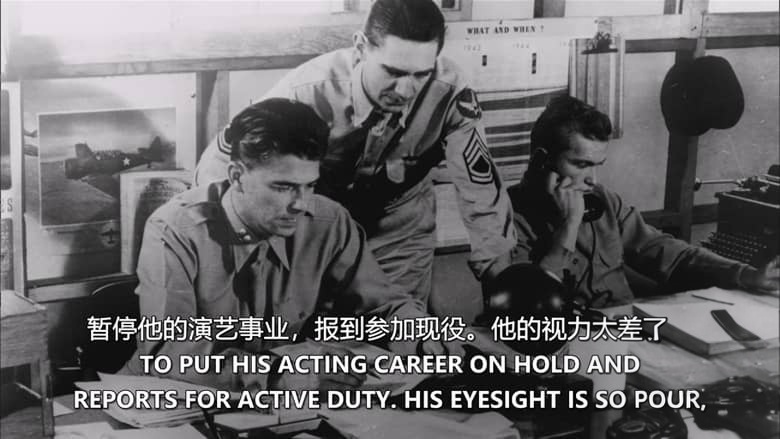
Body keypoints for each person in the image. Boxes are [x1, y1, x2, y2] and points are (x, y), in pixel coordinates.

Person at [123, 99, 462, 391]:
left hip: (281, 409)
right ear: (237, 176)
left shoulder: (328, 221)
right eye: (283, 187)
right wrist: (279, 375)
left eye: (309, 185)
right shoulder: (174, 230)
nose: (301, 203)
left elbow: (384, 308)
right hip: (169, 405)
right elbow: (167, 352)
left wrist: (421, 335)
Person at [195, 0, 516, 305]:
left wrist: (502, 286)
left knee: (396, 331)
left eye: (421, 74)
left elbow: (481, 190)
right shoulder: (305, 92)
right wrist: (224, 248)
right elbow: (220, 166)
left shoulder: (451, 93)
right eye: (393, 72)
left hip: (399, 225)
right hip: (313, 220)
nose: (406, 91)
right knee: (307, 328)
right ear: (361, 47)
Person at [508, 95, 779, 308]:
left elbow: (670, 253)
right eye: (581, 164)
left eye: (597, 165)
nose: (592, 179)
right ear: (541, 160)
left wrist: (745, 274)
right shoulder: (504, 218)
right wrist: (568, 229)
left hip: (626, 331)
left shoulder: (603, 200)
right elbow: (527, 309)